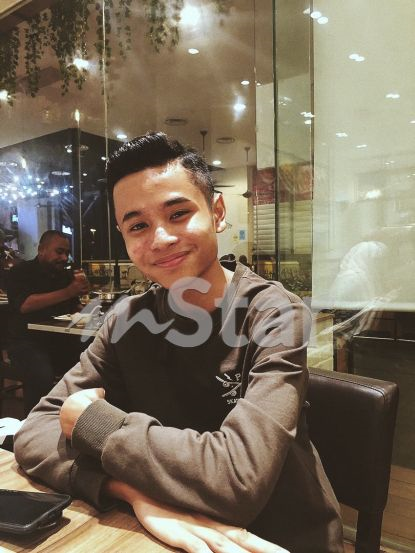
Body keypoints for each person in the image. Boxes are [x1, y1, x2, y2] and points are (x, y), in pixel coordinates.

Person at [14, 133, 343, 553]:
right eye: (138, 225)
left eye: (178, 213)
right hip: (162, 529)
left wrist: (94, 423)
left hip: (277, 537)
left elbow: (237, 481)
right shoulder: (127, 321)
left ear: (217, 212)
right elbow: (34, 432)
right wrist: (131, 492)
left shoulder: (273, 314)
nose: (161, 239)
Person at [7, 230, 89, 414]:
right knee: (42, 374)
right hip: (26, 342)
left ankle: (76, 417)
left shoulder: (64, 275)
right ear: (41, 250)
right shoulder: (20, 272)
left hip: (59, 340)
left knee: (92, 364)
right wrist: (69, 291)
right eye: (59, 252)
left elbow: (73, 308)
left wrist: (86, 310)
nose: (64, 258)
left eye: (67, 253)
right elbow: (25, 305)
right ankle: (34, 422)